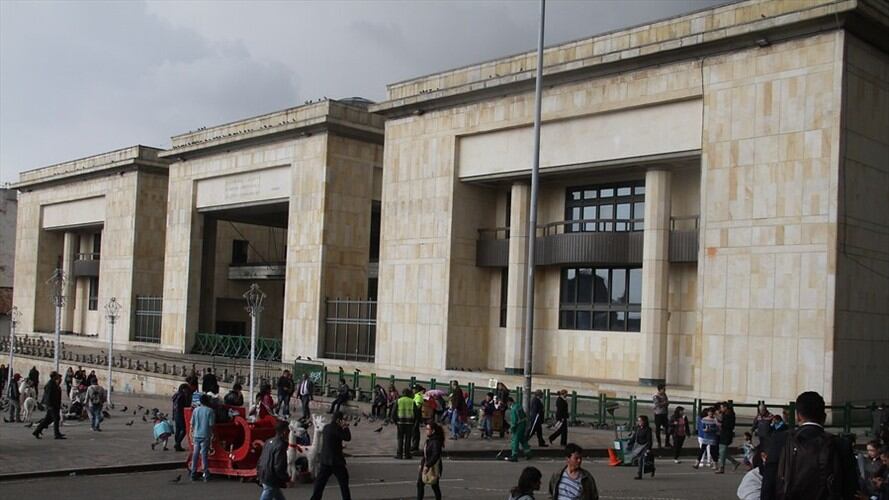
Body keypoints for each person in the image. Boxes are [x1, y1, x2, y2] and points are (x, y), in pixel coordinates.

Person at [762, 391, 859, 500]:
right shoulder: (841, 445)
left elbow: (768, 486)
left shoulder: (781, 440)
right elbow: (850, 490)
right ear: (824, 417)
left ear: (798, 416)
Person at [309, 411, 352, 500]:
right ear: (338, 420)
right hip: (336, 461)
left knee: (320, 483)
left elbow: (332, 441)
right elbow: (347, 437)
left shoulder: (326, 427)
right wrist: (345, 427)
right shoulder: (337, 429)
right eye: (342, 419)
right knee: (343, 484)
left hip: (325, 460)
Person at [257, 419, 291, 500]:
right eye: (288, 430)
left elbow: (261, 459)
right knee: (270, 491)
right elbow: (278, 466)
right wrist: (286, 479)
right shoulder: (280, 445)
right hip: (271, 478)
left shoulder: (268, 441)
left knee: (277, 494)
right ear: (284, 432)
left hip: (264, 474)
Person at [190, 393, 215, 482]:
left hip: (196, 434)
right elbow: (211, 424)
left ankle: (193, 472)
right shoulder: (210, 411)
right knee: (204, 454)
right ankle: (205, 473)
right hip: (205, 434)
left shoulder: (195, 410)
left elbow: (192, 423)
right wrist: (212, 434)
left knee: (195, 454)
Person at [32, 371, 64, 440]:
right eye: (57, 376)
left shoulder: (53, 383)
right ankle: (56, 434)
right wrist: (49, 405)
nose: (58, 377)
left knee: (48, 420)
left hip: (54, 405)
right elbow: (48, 396)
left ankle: (37, 431)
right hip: (52, 405)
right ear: (54, 376)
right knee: (56, 419)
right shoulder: (50, 384)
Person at [417, 421, 444, 500]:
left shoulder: (435, 442)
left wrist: (428, 466)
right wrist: (422, 464)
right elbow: (425, 454)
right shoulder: (429, 440)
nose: (426, 430)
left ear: (433, 431)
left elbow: (435, 455)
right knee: (420, 484)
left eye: (428, 429)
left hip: (433, 466)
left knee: (434, 485)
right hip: (426, 464)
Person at [716, 402, 740, 473]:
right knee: (722, 452)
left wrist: (719, 420)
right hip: (723, 433)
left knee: (722, 451)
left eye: (722, 407)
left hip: (727, 434)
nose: (721, 409)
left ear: (725, 407)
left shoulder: (730, 415)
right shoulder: (725, 414)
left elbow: (727, 425)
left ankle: (722, 467)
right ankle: (734, 462)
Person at [629, 415, 654, 480]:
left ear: (644, 421)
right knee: (644, 460)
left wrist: (648, 448)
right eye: (638, 420)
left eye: (640, 420)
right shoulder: (638, 428)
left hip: (645, 446)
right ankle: (652, 468)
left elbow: (649, 440)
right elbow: (634, 437)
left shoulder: (648, 429)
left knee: (641, 459)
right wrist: (630, 443)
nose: (639, 422)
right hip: (639, 446)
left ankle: (639, 474)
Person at [507, 397, 531, 462]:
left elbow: (514, 421)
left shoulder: (513, 409)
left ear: (509, 402)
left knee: (515, 440)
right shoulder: (519, 406)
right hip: (523, 425)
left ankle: (514, 455)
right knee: (523, 440)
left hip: (517, 427)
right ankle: (528, 453)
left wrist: (512, 429)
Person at [395, 388, 416, 459]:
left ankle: (399, 454)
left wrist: (395, 421)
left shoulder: (398, 401)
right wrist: (414, 421)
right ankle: (407, 454)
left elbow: (393, 412)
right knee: (408, 439)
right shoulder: (412, 401)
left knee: (400, 438)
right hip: (409, 423)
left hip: (400, 422)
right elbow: (416, 413)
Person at [172, 383, 192, 451]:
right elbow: (184, 406)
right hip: (180, 414)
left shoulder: (176, 395)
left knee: (178, 430)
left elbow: (174, 406)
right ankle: (177, 443)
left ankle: (178, 444)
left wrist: (173, 415)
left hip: (176, 414)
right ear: (184, 389)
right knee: (184, 429)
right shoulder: (182, 396)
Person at [652, 383, 670, 449]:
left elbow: (667, 402)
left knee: (668, 428)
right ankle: (659, 443)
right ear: (660, 389)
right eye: (663, 389)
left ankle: (667, 442)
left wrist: (665, 403)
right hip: (658, 414)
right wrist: (665, 403)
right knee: (658, 428)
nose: (664, 390)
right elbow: (658, 405)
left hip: (664, 413)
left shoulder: (665, 395)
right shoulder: (656, 396)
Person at [411, 385, 425, 453]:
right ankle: (414, 445)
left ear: (417, 390)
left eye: (414, 389)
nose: (413, 390)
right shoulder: (416, 396)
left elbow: (417, 407)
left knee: (415, 431)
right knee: (414, 431)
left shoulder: (418, 396)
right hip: (415, 416)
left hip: (416, 416)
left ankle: (415, 446)